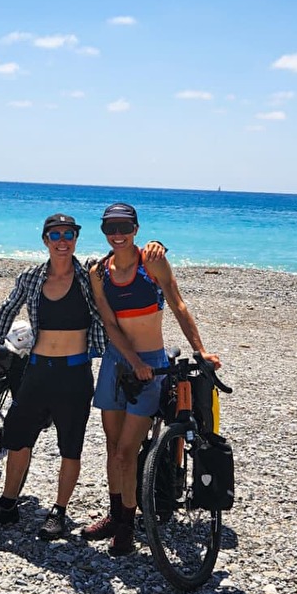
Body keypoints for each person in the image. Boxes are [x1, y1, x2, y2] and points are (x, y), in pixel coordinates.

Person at [0, 213, 164, 541]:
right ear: (45, 240)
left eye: (68, 234)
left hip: (74, 373)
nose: (62, 240)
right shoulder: (31, 277)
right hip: (37, 369)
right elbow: (7, 308)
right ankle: (8, 504)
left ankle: (59, 511)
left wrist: (152, 248)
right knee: (18, 438)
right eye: (55, 234)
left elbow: (123, 252)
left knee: (70, 447)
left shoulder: (89, 272)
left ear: (75, 238)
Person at [83, 201, 219, 556]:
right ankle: (117, 514)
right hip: (117, 362)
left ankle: (127, 524)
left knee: (128, 451)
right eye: (110, 229)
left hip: (152, 364)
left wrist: (201, 350)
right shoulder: (99, 272)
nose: (117, 235)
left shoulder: (152, 262)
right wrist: (129, 360)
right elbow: (110, 324)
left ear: (136, 230)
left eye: (124, 228)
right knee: (113, 448)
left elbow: (178, 304)